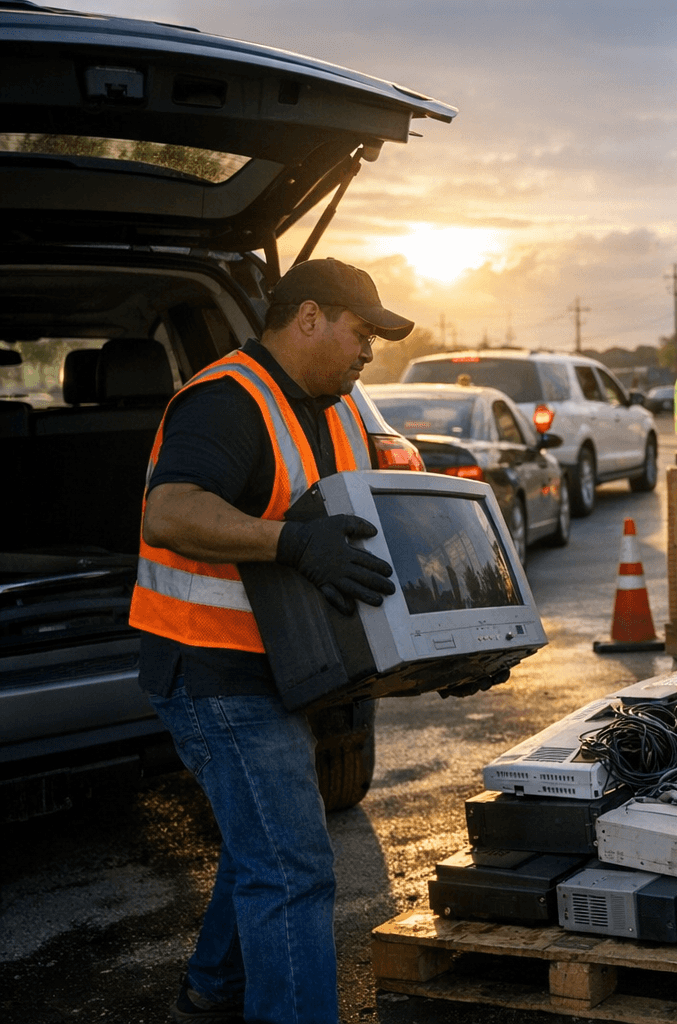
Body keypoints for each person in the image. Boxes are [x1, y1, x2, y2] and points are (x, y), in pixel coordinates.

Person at [130, 258, 411, 1024]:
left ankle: (211, 992)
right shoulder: (226, 400)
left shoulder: (342, 407)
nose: (368, 353)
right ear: (309, 316)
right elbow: (171, 513)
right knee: (290, 864)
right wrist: (293, 543)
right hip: (211, 667)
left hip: (287, 662)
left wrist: (440, 657)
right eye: (361, 333)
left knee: (269, 842)